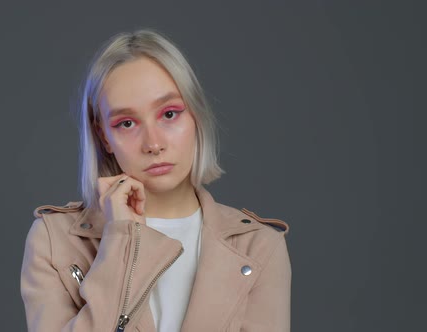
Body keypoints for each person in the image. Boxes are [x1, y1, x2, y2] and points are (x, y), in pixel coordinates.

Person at [20, 28, 291, 332]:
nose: (153, 143)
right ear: (103, 136)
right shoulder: (55, 241)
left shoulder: (258, 247)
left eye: (170, 114)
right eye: (126, 123)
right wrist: (121, 238)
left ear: (196, 115)